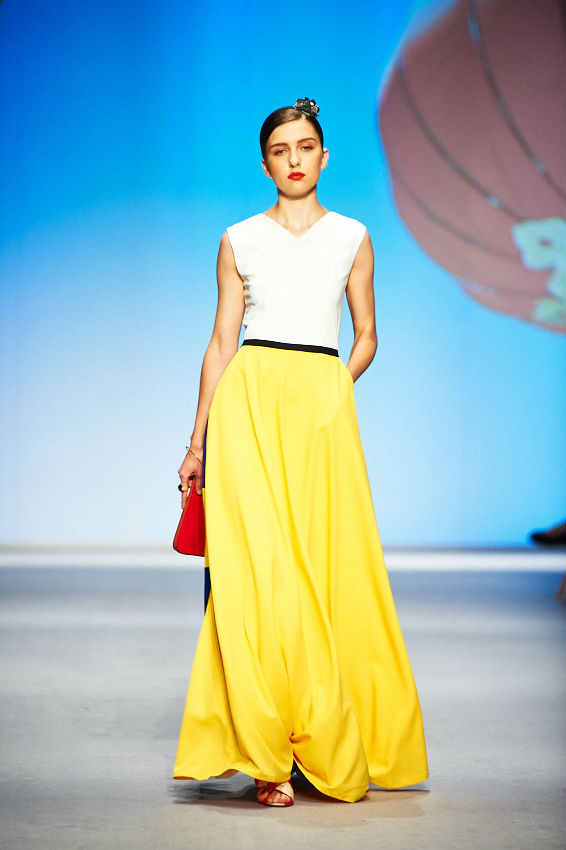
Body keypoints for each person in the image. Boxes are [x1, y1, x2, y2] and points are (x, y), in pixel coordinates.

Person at [172, 97, 429, 807]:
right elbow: (221, 343)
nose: (294, 159)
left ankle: (317, 736)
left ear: (323, 156)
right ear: (265, 165)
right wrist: (197, 442)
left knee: (322, 572)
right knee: (257, 578)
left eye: (305, 146)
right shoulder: (238, 239)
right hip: (249, 406)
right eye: (281, 150)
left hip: (320, 409)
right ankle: (266, 757)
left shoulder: (353, 237)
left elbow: (367, 333)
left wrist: (336, 387)